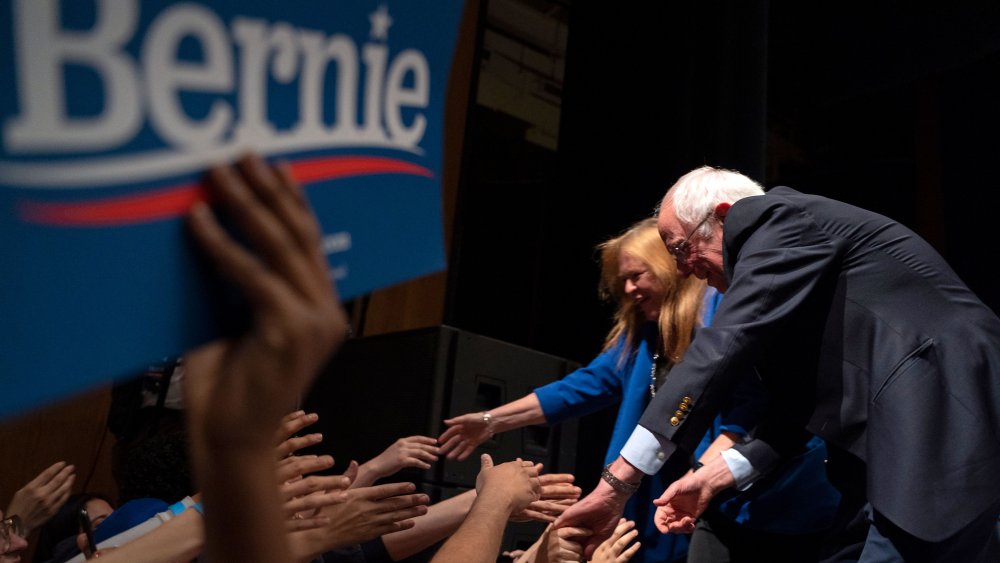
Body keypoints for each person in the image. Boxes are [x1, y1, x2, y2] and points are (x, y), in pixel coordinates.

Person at [555, 165, 1000, 562]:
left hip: (946, 405)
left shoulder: (776, 218)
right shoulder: (789, 278)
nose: (685, 270)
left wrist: (619, 482)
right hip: (885, 458)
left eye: (680, 249)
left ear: (726, 216)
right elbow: (793, 410)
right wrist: (715, 477)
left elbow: (723, 345)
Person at [438, 217, 707, 562]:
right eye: (622, 280)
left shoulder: (711, 328)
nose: (627, 290)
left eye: (636, 275)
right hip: (642, 497)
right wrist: (492, 420)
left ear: (668, 268)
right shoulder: (640, 341)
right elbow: (577, 389)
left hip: (699, 489)